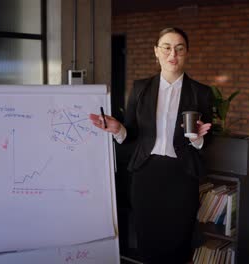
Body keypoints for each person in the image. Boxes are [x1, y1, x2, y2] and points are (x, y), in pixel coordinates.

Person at [90, 27, 214, 264]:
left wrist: (198, 138)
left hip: (182, 175)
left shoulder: (201, 92)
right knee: (148, 240)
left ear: (186, 53)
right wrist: (118, 130)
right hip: (146, 173)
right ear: (156, 52)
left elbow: (208, 139)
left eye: (179, 49)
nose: (172, 55)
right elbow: (132, 133)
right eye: (166, 48)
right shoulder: (140, 88)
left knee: (180, 240)